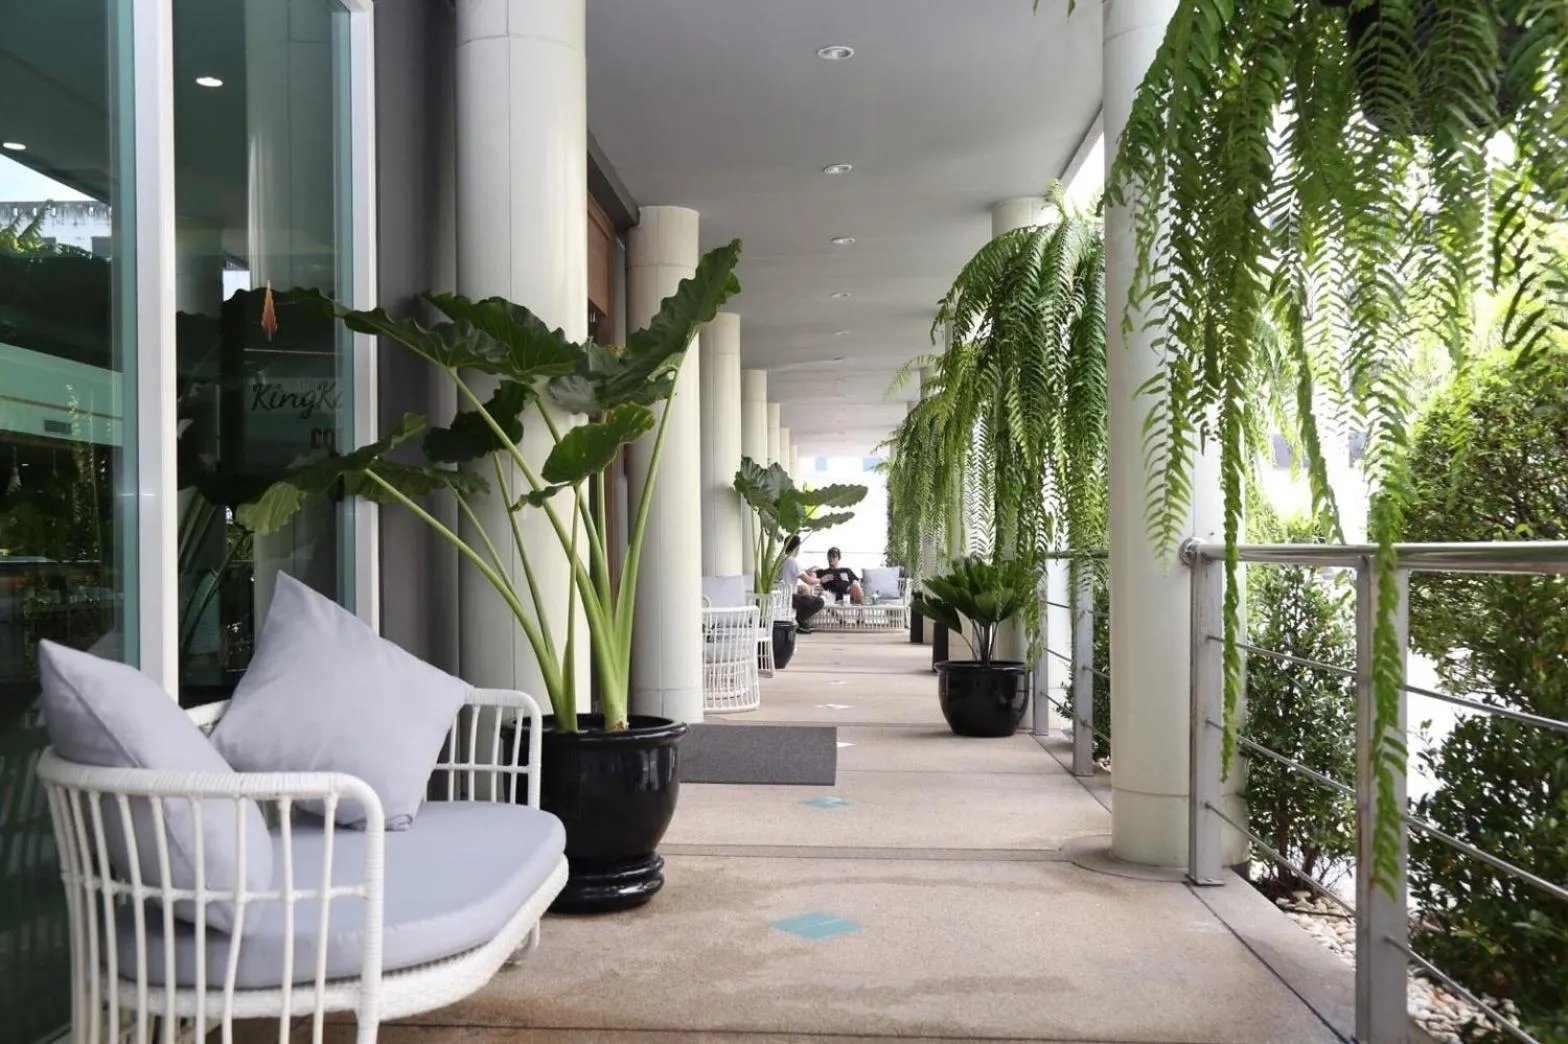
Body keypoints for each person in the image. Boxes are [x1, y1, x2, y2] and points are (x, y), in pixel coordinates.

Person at [779, 534, 824, 633]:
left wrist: (807, 571)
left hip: (779, 597)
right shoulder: (793, 561)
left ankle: (801, 623)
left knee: (804, 589)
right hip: (790, 598)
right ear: (797, 547)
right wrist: (821, 580)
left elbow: (794, 572)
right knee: (819, 601)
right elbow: (809, 581)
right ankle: (800, 621)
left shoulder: (781, 560)